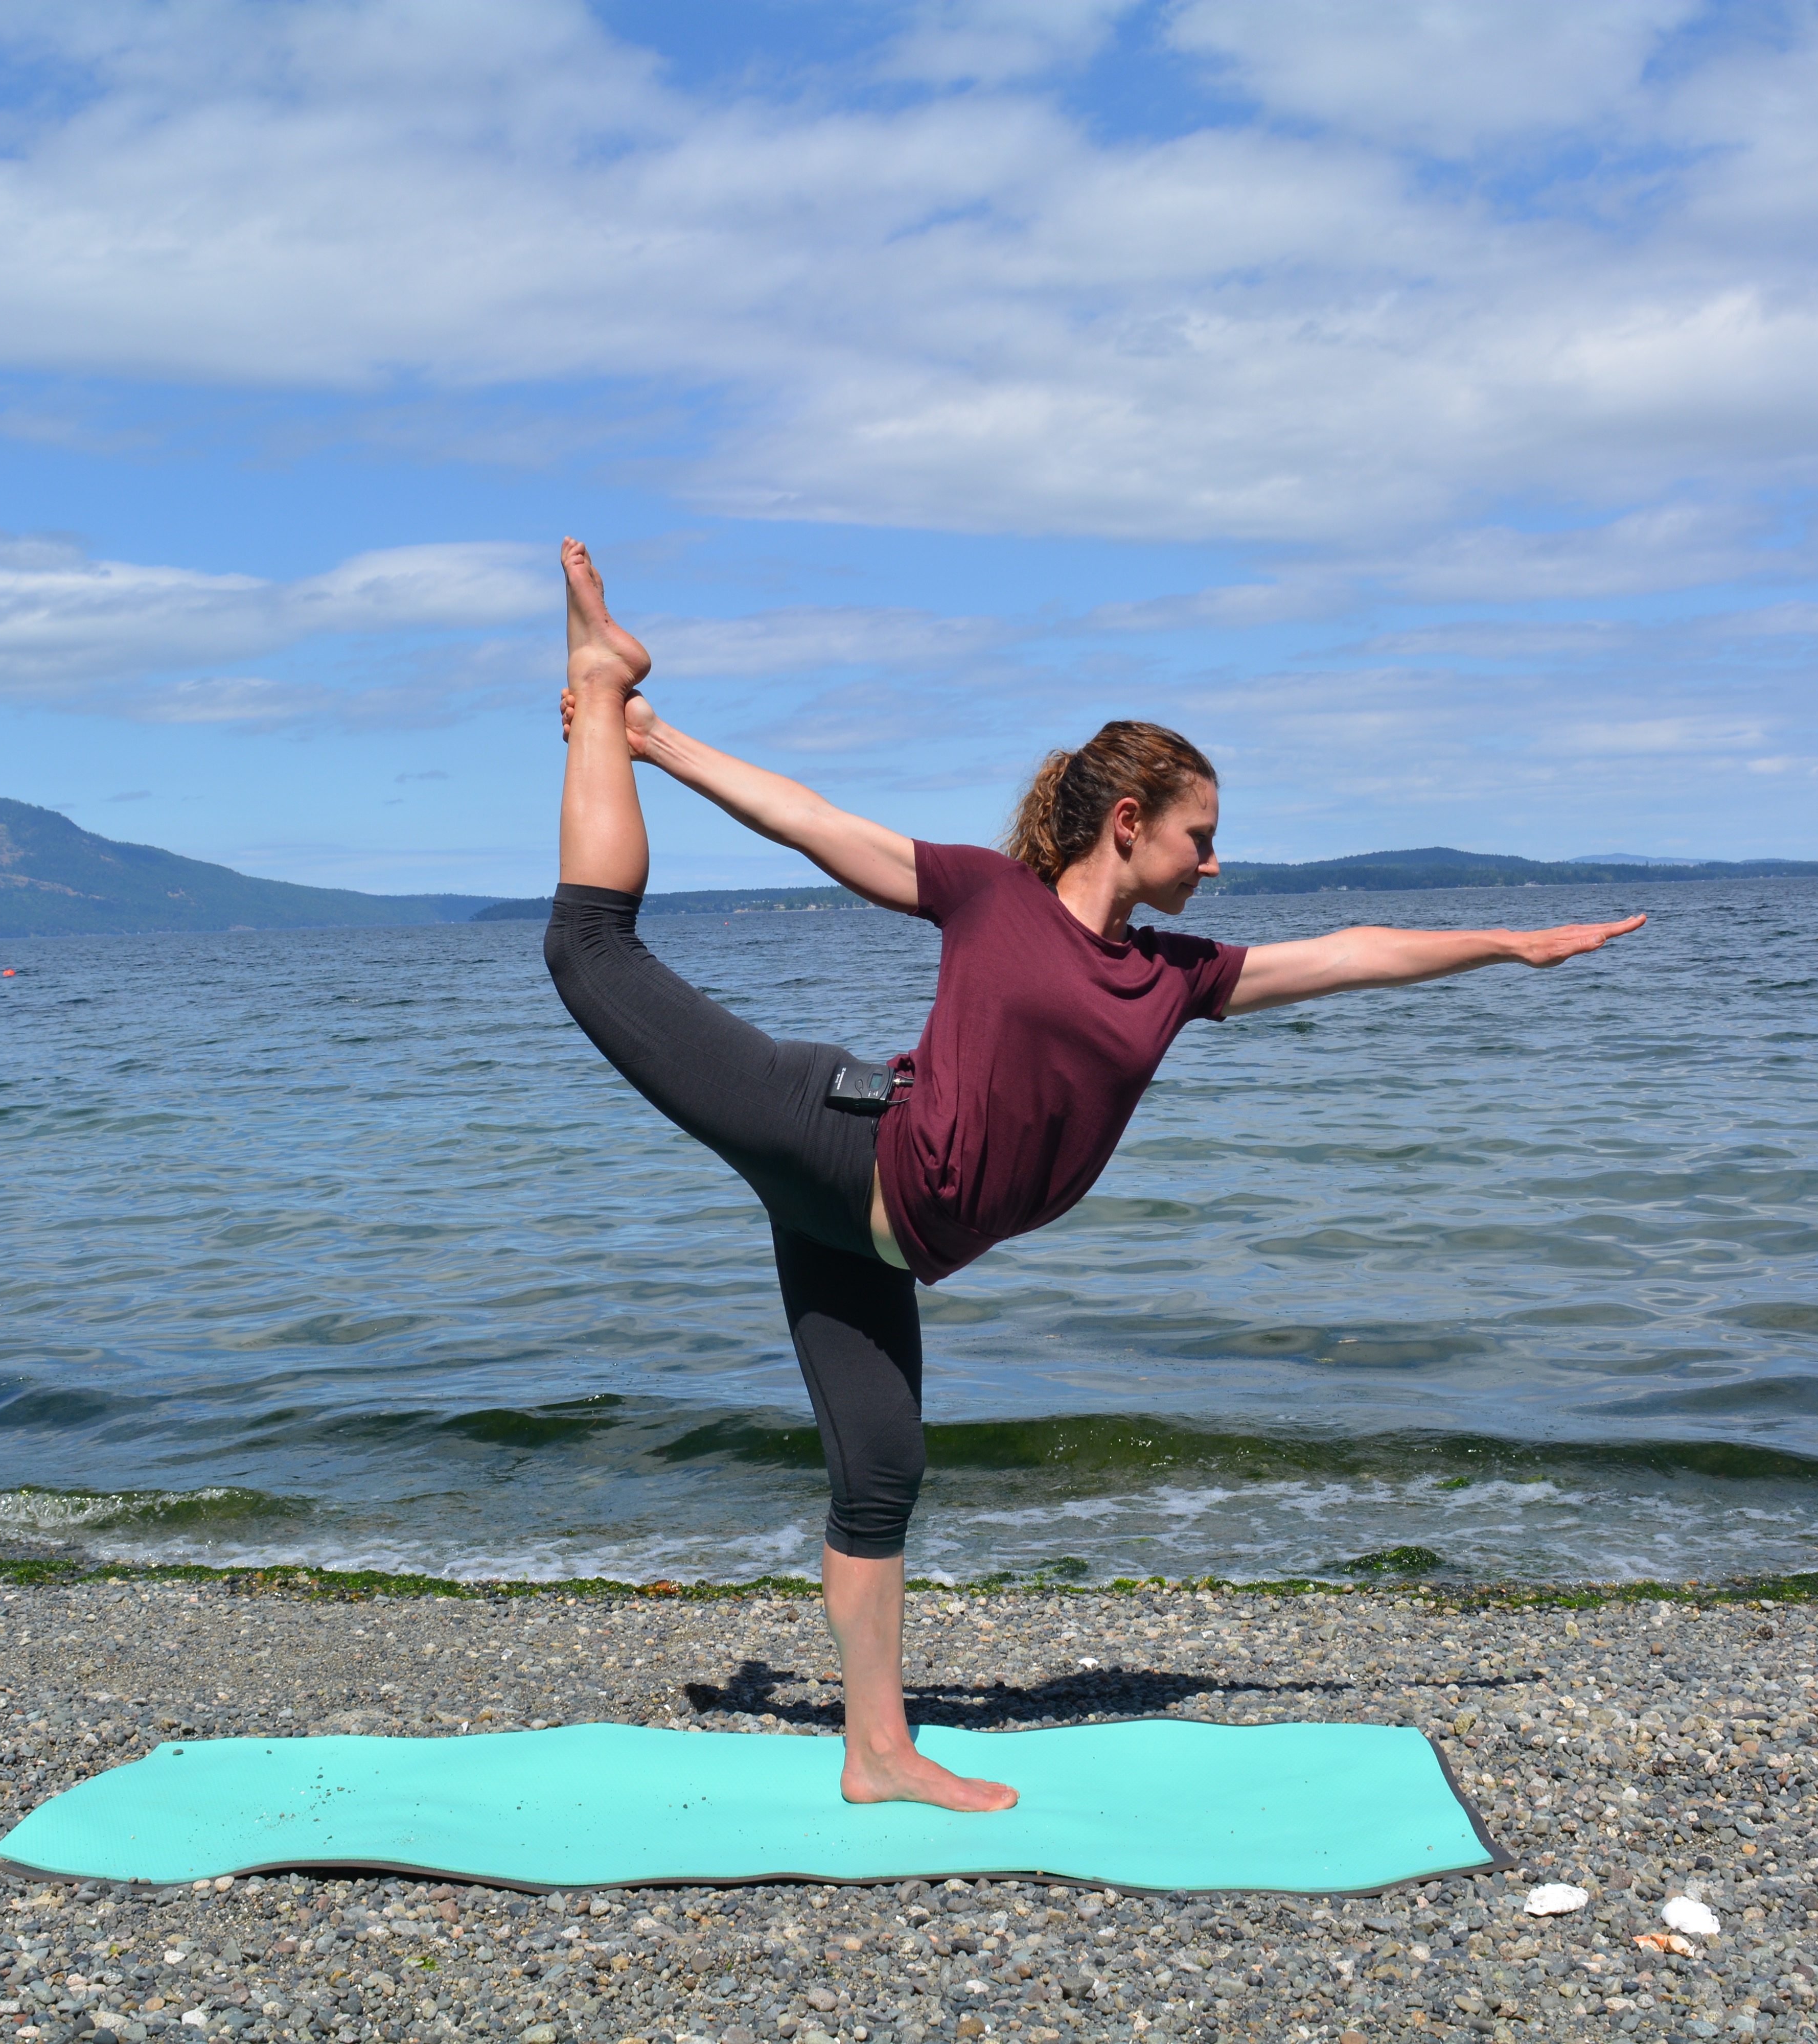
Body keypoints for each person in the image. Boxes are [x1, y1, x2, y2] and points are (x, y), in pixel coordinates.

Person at [544, 538, 1643, 1813]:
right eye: (1202, 837)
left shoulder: (1177, 977)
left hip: (875, 1237)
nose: (1215, 863)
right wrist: (648, 735)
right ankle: (597, 665)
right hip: (838, 1139)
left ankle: (876, 1751)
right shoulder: (988, 896)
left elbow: (1351, 951)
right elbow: (816, 823)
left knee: (883, 1470)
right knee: (588, 950)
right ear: (1131, 824)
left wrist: (1506, 942)